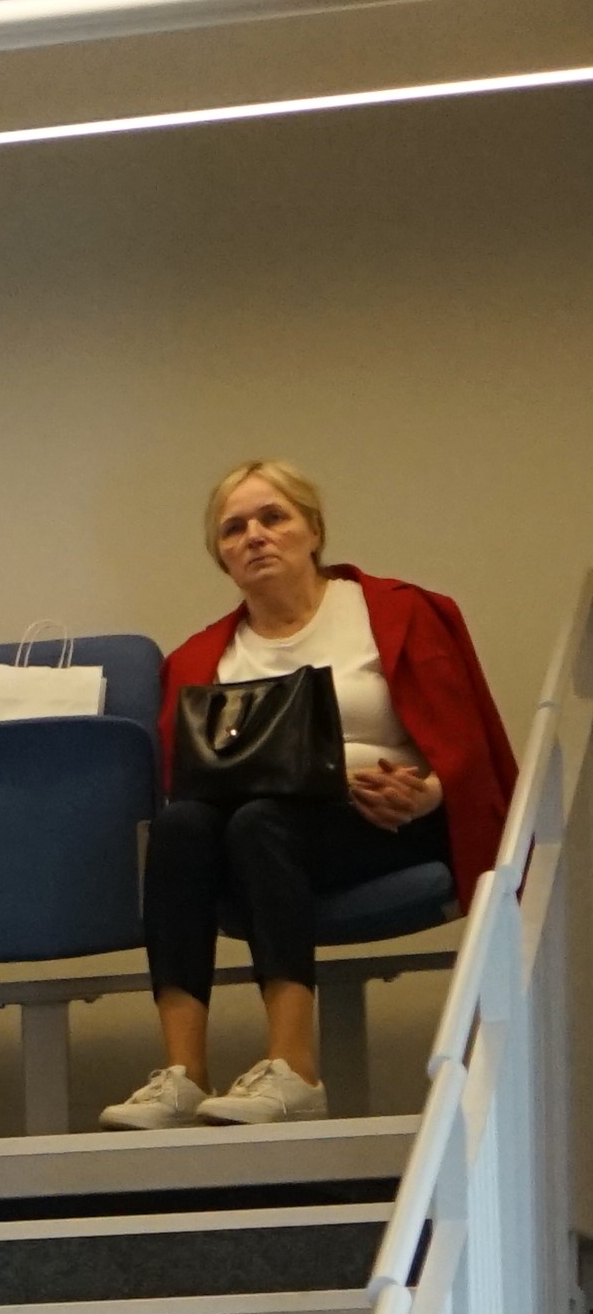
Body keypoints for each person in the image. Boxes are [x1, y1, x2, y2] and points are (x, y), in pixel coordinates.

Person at [114, 459, 513, 1132]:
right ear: (221, 555)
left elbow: (465, 742)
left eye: (273, 517)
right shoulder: (200, 660)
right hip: (267, 834)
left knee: (260, 821)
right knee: (183, 825)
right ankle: (182, 1074)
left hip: (392, 820)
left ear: (314, 531)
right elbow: (195, 782)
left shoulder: (397, 613)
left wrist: (427, 793)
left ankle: (293, 1070)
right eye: (234, 528)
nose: (254, 536)